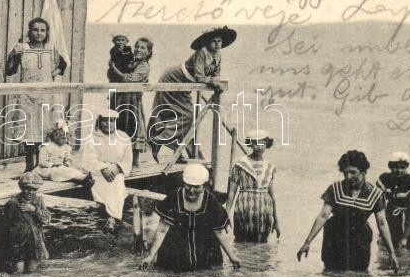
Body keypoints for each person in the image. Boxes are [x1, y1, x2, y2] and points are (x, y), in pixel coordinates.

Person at [297, 150, 399, 273]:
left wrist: (391, 253)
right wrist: (307, 242)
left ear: (363, 172)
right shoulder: (335, 189)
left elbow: (382, 223)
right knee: (332, 275)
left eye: (353, 172)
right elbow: (323, 216)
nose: (348, 177)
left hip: (360, 242)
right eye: (345, 173)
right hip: (334, 240)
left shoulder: (375, 194)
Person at [146, 26, 236, 163]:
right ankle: (158, 140)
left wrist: (217, 83)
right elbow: (200, 77)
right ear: (207, 42)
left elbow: (216, 75)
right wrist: (214, 82)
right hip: (173, 78)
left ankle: (177, 151)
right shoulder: (202, 52)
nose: (217, 44)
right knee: (185, 115)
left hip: (185, 84)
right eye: (213, 41)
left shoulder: (218, 55)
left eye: (219, 41)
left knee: (187, 116)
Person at [141, 164, 241, 272]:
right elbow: (162, 230)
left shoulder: (211, 202)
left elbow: (220, 233)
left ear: (205, 186)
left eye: (197, 187)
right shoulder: (174, 197)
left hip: (205, 255)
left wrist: (232, 257)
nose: (191, 190)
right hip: (176, 256)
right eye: (188, 185)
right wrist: (150, 256)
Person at [5, 17, 68, 172]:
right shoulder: (22, 48)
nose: (39, 33)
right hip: (27, 96)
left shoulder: (51, 49)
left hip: (46, 96)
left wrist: (51, 75)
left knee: (45, 128)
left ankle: (41, 164)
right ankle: (29, 165)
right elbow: (10, 71)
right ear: (30, 31)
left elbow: (63, 64)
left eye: (42, 30)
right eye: (35, 30)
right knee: (28, 129)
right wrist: (12, 55)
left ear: (46, 33)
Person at [81, 109, 134, 231]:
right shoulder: (92, 137)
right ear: (99, 122)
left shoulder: (123, 137)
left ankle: (112, 217)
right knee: (102, 183)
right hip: (98, 171)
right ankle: (112, 216)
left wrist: (117, 169)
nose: (108, 123)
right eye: (105, 120)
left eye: (111, 121)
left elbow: (127, 159)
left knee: (117, 182)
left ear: (115, 122)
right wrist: (103, 169)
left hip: (116, 170)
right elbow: (88, 159)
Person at [225, 129, 281, 242]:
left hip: (264, 210)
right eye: (256, 143)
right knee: (241, 241)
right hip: (244, 208)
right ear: (250, 144)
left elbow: (273, 196)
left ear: (267, 145)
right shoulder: (240, 165)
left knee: (262, 243)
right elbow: (231, 193)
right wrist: (226, 215)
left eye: (263, 143)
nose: (260, 147)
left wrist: (276, 221)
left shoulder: (269, 167)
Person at [108, 37, 153, 170]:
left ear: (148, 52)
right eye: (137, 46)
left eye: (142, 48)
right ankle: (118, 160)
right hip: (121, 98)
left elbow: (128, 79)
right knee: (119, 126)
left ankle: (135, 163)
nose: (138, 49)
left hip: (132, 101)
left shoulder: (144, 66)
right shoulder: (131, 61)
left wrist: (114, 68)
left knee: (133, 127)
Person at [1, 171, 51, 273]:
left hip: (35, 243)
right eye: (27, 189)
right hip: (18, 244)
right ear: (22, 188)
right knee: (18, 272)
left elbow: (47, 220)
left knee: (31, 271)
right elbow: (5, 225)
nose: (30, 192)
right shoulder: (13, 203)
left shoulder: (38, 200)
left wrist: (34, 210)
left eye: (34, 189)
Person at [376, 152, 410, 251]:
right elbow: (380, 205)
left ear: (406, 167)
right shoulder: (384, 179)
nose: (399, 170)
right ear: (390, 167)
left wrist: (405, 237)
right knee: (388, 243)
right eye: (395, 167)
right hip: (392, 211)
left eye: (402, 167)